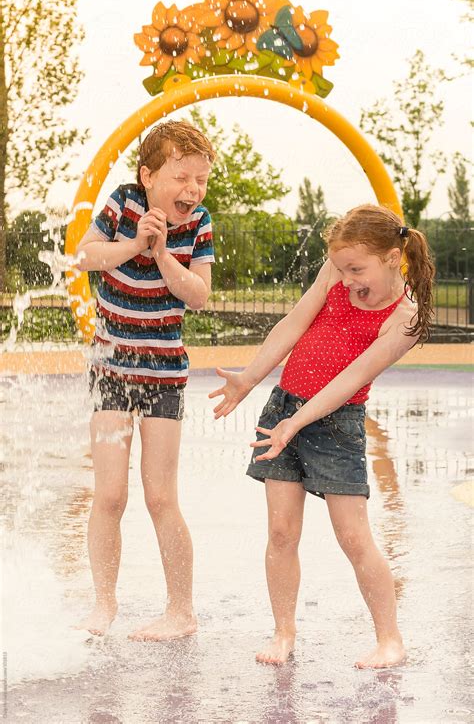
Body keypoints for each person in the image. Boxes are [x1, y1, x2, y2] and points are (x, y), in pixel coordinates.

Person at [209, 204, 435, 668]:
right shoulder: (335, 269)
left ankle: (390, 639)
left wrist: (298, 424)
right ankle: (284, 633)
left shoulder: (404, 319)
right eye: (343, 267)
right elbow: (293, 323)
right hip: (285, 406)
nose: (348, 278)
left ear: (393, 257)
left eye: (357, 268)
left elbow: (350, 380)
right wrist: (250, 379)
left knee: (353, 538)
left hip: (335, 422)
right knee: (280, 531)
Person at [74, 120, 215, 640]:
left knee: (161, 496)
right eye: (182, 178)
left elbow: (198, 295)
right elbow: (85, 256)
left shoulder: (199, 224)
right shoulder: (123, 203)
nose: (193, 191)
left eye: (200, 180)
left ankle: (182, 610)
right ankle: (103, 605)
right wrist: (134, 243)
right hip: (111, 372)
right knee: (109, 494)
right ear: (148, 174)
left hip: (163, 377)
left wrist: (160, 256)